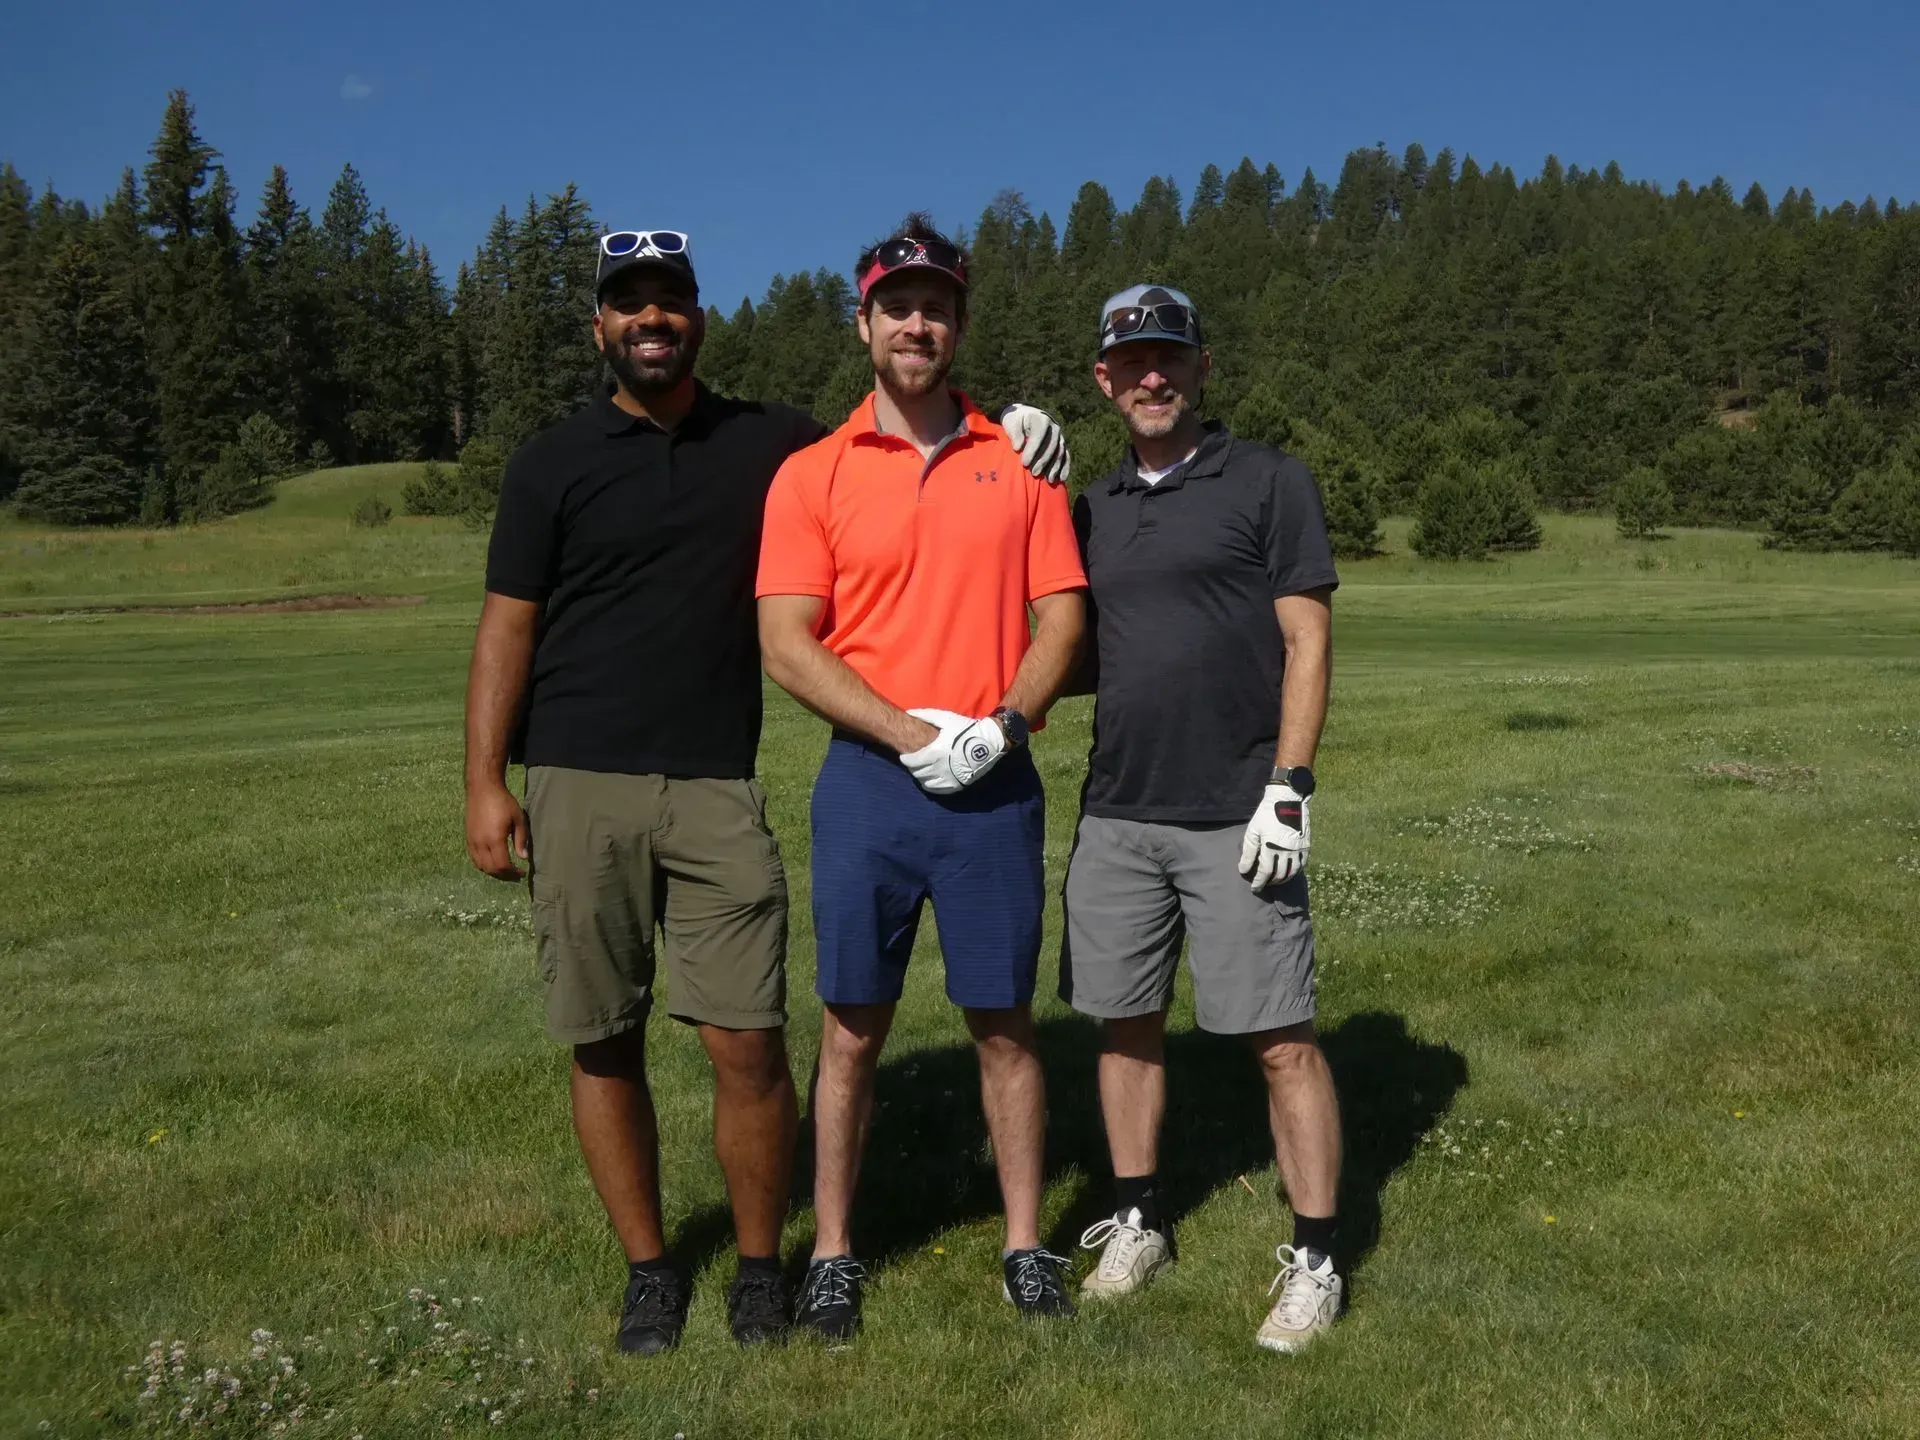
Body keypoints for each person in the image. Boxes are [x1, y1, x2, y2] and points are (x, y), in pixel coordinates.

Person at [463, 227, 1073, 1357]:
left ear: (699, 316)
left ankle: (760, 1268)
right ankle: (653, 1271)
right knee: (604, 1036)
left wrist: (1028, 425)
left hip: (714, 784)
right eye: (629, 303)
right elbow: (509, 625)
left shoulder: (769, 445)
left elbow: (922, 426)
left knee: (749, 1038)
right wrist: (484, 781)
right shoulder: (554, 461)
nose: (652, 319)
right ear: (600, 324)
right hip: (580, 776)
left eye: (671, 301)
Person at [756, 215, 1088, 1339]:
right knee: (852, 1025)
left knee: (1004, 1022)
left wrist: (1004, 724)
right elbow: (788, 641)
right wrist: (909, 736)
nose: (917, 322)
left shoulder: (1022, 462)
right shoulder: (814, 474)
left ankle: (1026, 1242)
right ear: (864, 322)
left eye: (937, 305)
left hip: (994, 782)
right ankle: (837, 1252)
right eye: (897, 304)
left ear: (960, 325)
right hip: (869, 782)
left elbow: (1062, 618)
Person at [1059, 284, 1346, 1353]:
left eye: (1169, 356)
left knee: (1281, 1041)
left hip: (1238, 810)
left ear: (1201, 366)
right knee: (1124, 1025)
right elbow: (1069, 642)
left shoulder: (1268, 481)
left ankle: (1315, 1256)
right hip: (1118, 812)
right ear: (1103, 378)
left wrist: (1291, 783)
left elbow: (1308, 641)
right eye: (1131, 360)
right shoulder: (1089, 506)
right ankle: (1138, 1220)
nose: (1151, 375)